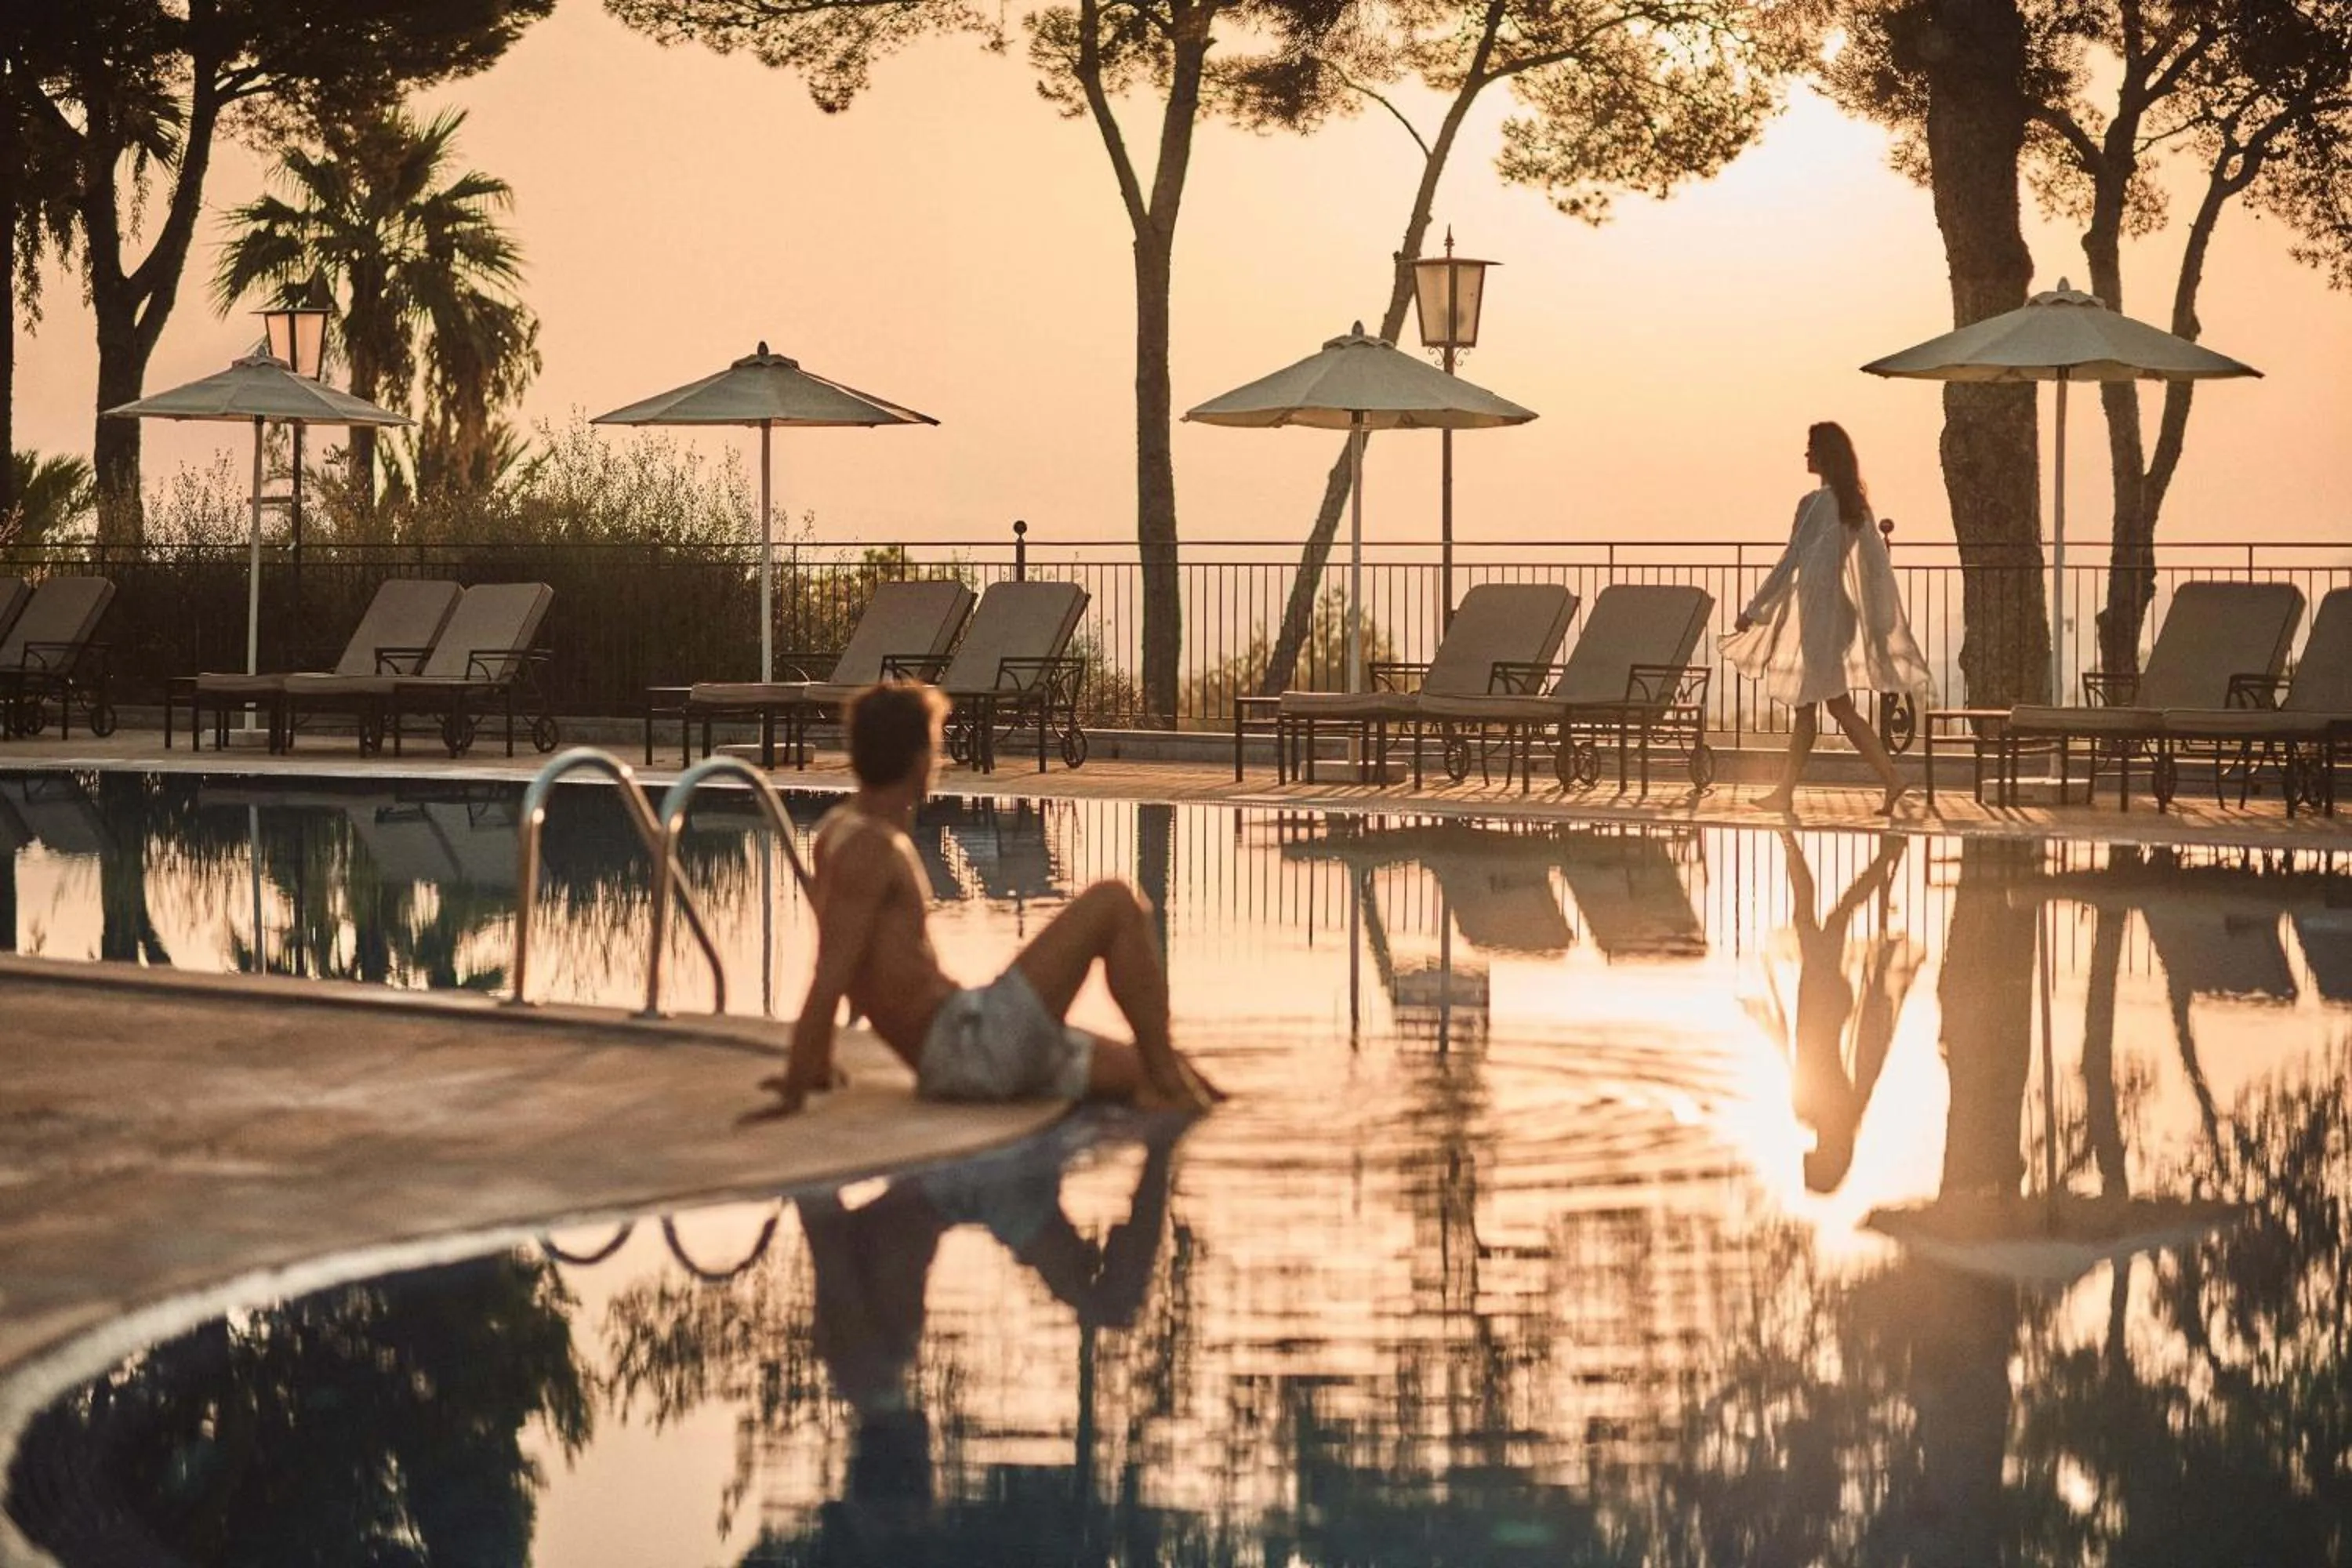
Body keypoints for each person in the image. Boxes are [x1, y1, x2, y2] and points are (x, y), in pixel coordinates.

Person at [762, 681, 1221, 1116]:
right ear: (920, 760)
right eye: (936, 746)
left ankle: (1169, 1081)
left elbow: (847, 960)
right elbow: (831, 973)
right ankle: (1171, 1089)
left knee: (1176, 1069)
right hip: (968, 1050)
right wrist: (797, 1085)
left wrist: (818, 1067)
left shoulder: (839, 832)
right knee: (1115, 901)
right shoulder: (871, 851)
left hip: (972, 1035)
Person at [1724, 422, 1933, 814]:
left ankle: (1889, 778)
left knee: (1833, 705)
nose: (1805, 455)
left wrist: (1753, 610)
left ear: (1824, 456)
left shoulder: (1815, 504)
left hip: (1821, 617)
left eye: (1810, 449)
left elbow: (1790, 561)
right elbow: (1874, 570)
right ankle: (1789, 791)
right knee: (1817, 706)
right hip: (1838, 615)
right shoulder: (1854, 506)